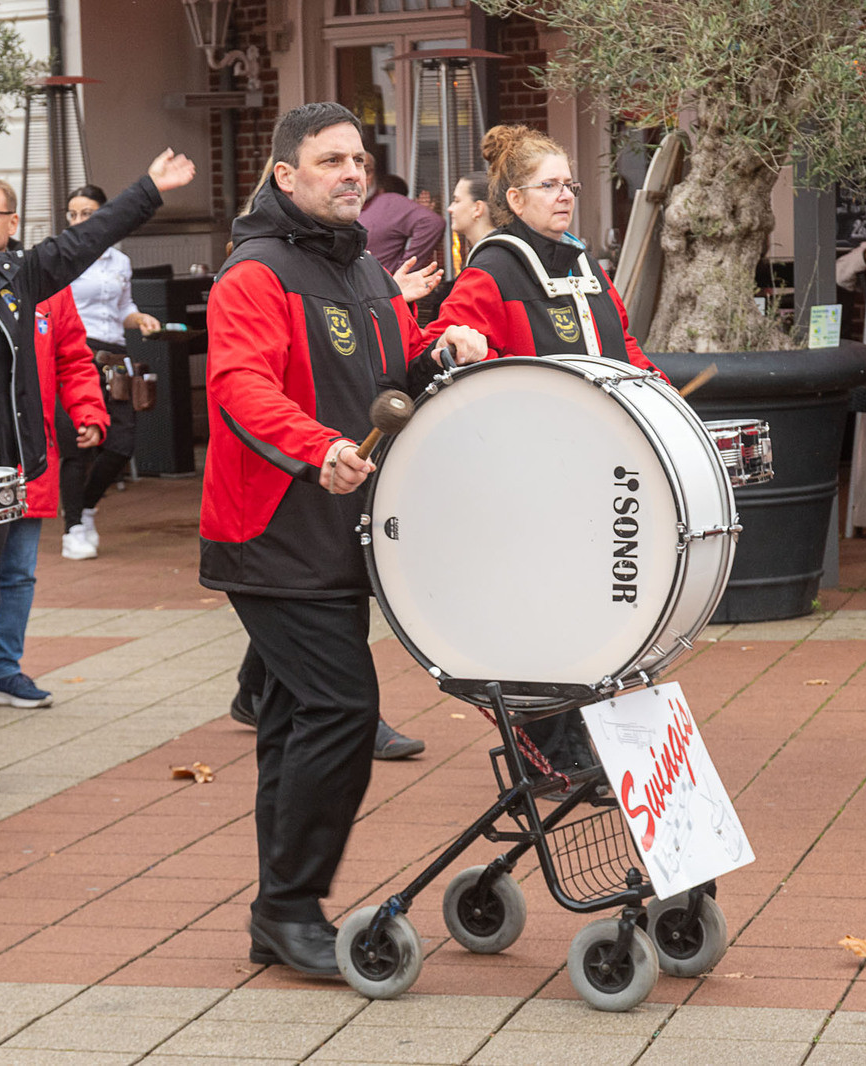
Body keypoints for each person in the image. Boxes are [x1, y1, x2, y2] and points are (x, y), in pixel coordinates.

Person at [202, 101, 485, 976]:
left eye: (358, 158)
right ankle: (289, 909)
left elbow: (389, 373)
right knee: (341, 709)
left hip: (342, 528)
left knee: (296, 720)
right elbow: (239, 386)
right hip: (272, 532)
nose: (351, 172)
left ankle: (277, 915)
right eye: (330, 161)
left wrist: (441, 350)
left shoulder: (361, 264)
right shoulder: (254, 273)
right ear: (285, 175)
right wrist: (315, 447)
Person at [0, 158, 188, 769]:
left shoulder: (17, 276)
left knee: (0, 583)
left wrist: (147, 190)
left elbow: (83, 245)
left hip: (13, 462)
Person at [423, 124, 661, 784]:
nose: (564, 196)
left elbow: (622, 346)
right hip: (525, 479)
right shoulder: (492, 270)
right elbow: (444, 341)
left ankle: (589, 731)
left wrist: (660, 398)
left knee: (591, 608)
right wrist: (457, 347)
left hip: (594, 470)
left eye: (569, 184)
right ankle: (550, 747)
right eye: (549, 186)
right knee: (540, 612)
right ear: (514, 198)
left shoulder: (585, 265)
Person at [0, 175, 107, 708]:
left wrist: (88, 411)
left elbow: (74, 358)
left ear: (13, 221)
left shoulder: (44, 284)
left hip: (29, 454)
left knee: (18, 572)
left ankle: (3, 671)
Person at [55, 183, 160, 562]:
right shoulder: (63, 256)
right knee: (78, 445)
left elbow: (123, 308)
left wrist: (140, 318)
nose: (79, 220)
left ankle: (84, 507)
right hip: (75, 352)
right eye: (73, 214)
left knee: (121, 443)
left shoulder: (120, 261)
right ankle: (73, 529)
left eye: (87, 213)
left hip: (115, 357)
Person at [359, 157, 445, 275]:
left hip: (378, 284)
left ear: (375, 175)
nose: (360, 178)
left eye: (367, 171)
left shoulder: (389, 203)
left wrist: (401, 273)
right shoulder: (341, 208)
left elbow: (433, 223)